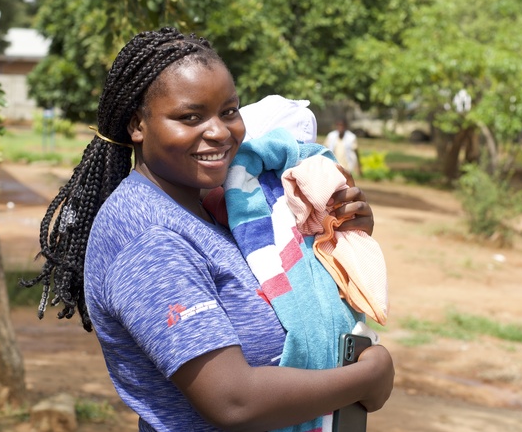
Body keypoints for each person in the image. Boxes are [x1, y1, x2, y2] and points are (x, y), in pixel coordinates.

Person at [25, 28, 394, 431]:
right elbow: (233, 400)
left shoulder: (216, 208)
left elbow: (294, 296)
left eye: (229, 111)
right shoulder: (149, 238)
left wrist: (338, 235)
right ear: (138, 124)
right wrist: (367, 379)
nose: (219, 131)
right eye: (190, 117)